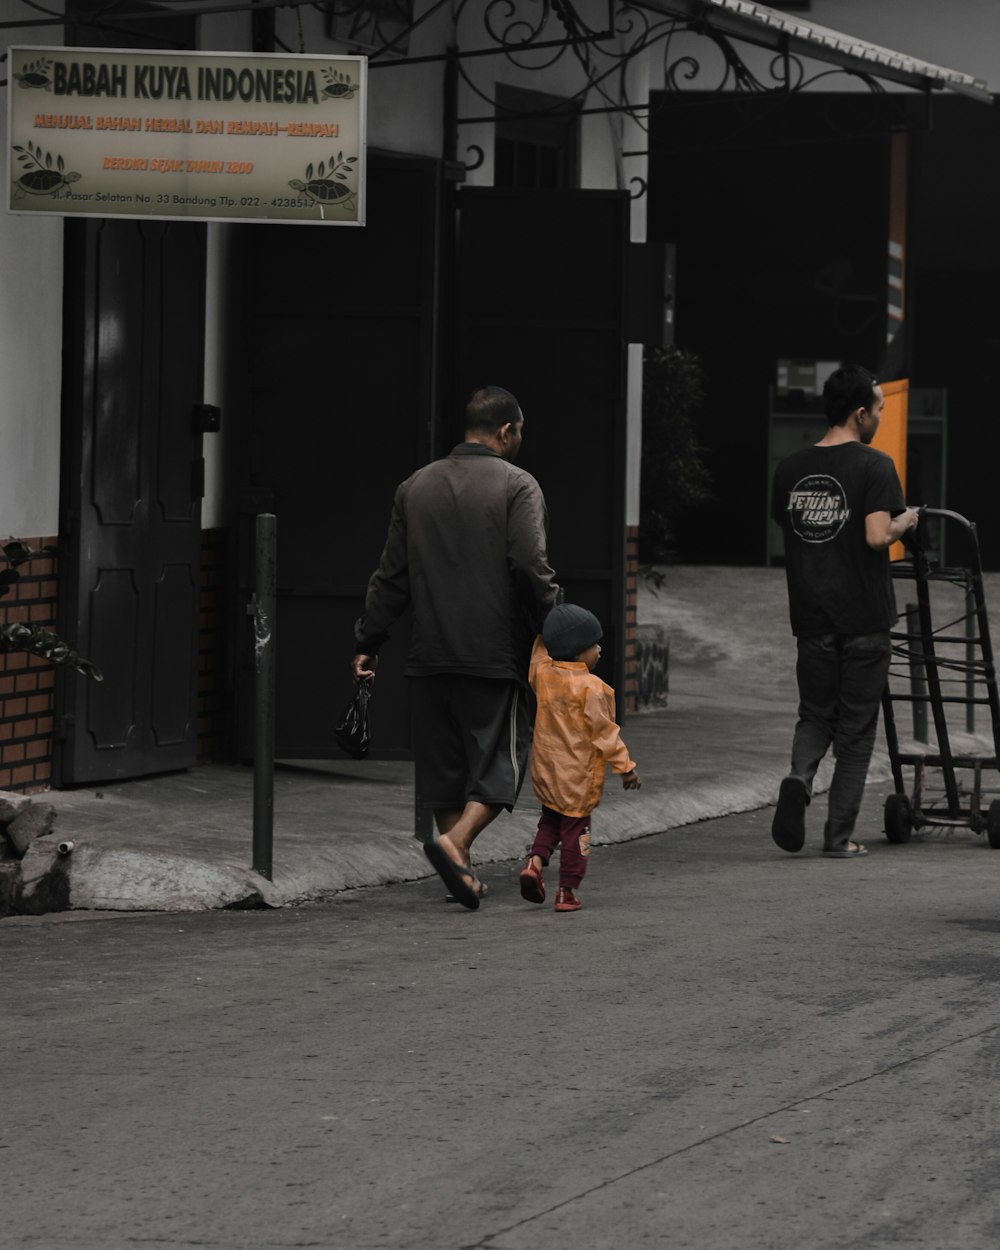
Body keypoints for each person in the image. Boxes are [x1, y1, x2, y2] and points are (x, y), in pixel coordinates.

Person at [351, 385, 559, 909]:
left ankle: (459, 874)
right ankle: (455, 843)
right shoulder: (518, 486)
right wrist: (555, 629)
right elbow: (530, 566)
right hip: (493, 653)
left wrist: (369, 640)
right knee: (500, 764)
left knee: (444, 771)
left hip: (429, 652)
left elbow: (390, 577)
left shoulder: (414, 486)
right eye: (521, 433)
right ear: (507, 430)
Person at [770, 363, 919, 858]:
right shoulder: (875, 466)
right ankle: (838, 837)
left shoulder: (790, 469)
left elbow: (789, 528)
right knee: (856, 729)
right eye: (877, 409)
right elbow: (877, 537)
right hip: (864, 619)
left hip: (811, 616)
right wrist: (907, 521)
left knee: (815, 714)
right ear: (860, 413)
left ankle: (799, 775)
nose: (878, 417)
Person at [518, 603, 640, 912]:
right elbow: (605, 733)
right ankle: (566, 891)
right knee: (577, 833)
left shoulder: (544, 675)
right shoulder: (592, 688)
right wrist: (625, 768)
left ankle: (534, 864)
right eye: (592, 645)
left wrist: (546, 622)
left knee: (549, 822)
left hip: (546, 770)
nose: (599, 650)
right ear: (576, 652)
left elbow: (538, 654)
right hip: (577, 778)